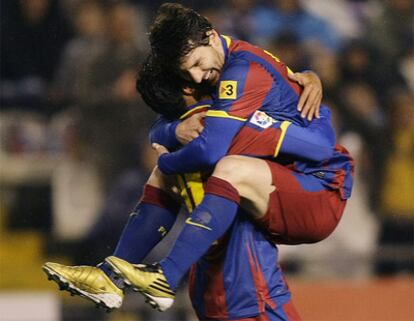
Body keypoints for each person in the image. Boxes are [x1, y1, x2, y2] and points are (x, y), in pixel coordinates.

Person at [104, 3, 353, 311]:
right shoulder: (216, 74)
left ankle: (166, 276)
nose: (196, 77)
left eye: (196, 63)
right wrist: (174, 131)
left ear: (211, 36)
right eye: (187, 73)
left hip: (318, 185)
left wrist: (166, 159)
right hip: (279, 185)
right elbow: (159, 129)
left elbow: (320, 145)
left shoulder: (242, 72)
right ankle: (110, 275)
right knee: (189, 173)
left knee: (225, 166)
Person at [43, 53, 326, 319]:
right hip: (241, 275)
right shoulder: (220, 122)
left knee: (165, 177)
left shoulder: (186, 136)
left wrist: (307, 79)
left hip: (223, 275)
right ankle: (121, 276)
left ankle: (117, 276)